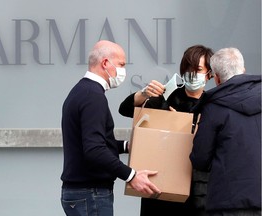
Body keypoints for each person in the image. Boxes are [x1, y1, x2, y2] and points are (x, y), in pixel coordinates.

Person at [60, 40, 161, 216]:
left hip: (82, 193)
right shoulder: (93, 96)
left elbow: (93, 141)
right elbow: (94, 149)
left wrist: (126, 146)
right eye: (121, 64)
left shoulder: (81, 91)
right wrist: (132, 175)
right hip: (91, 193)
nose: (123, 71)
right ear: (105, 63)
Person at [119, 44, 214, 216]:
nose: (192, 74)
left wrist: (184, 126)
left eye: (198, 69)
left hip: (195, 188)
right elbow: (125, 109)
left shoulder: (213, 104)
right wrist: (144, 93)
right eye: (188, 68)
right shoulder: (168, 94)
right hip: (160, 184)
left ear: (209, 74)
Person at [189, 47, 261, 216]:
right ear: (243, 70)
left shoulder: (214, 107)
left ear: (217, 78)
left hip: (227, 201)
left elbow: (200, 158)